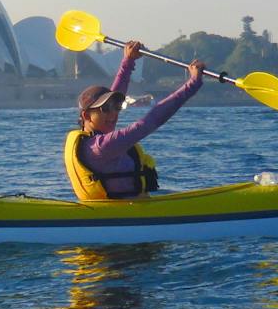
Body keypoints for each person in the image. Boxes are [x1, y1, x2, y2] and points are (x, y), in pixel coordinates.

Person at [64, 39, 207, 201]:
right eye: (105, 109)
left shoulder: (95, 139)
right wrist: (192, 84)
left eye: (116, 108)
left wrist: (128, 60)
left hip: (125, 209)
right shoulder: (101, 147)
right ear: (87, 116)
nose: (113, 114)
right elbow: (149, 121)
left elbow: (117, 92)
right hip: (126, 214)